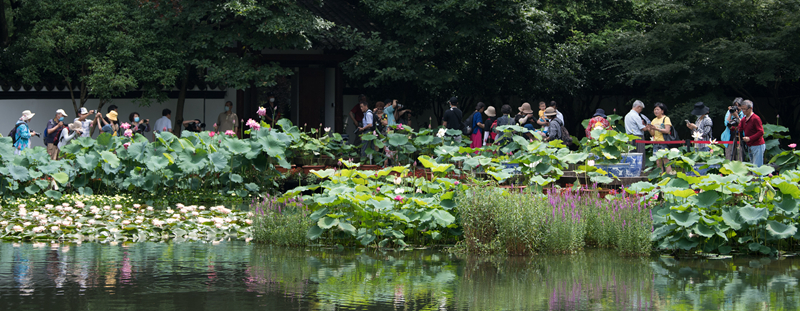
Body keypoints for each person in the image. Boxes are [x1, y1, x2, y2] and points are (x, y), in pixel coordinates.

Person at [737, 100, 765, 167]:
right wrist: (732, 126)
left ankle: (759, 178)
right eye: (742, 109)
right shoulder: (744, 119)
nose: (743, 111)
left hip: (758, 145)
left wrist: (750, 138)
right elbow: (739, 129)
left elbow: (761, 132)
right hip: (750, 146)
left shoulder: (756, 118)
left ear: (751, 108)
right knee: (753, 166)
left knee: (757, 167)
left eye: (745, 109)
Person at [646, 102, 672, 174]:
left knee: (666, 162)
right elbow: (653, 134)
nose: (656, 111)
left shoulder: (666, 118)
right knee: (658, 163)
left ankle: (668, 178)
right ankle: (660, 179)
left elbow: (667, 130)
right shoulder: (654, 120)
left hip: (664, 143)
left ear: (662, 111)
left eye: (657, 109)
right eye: (655, 109)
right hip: (656, 143)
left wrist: (657, 128)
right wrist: (650, 129)